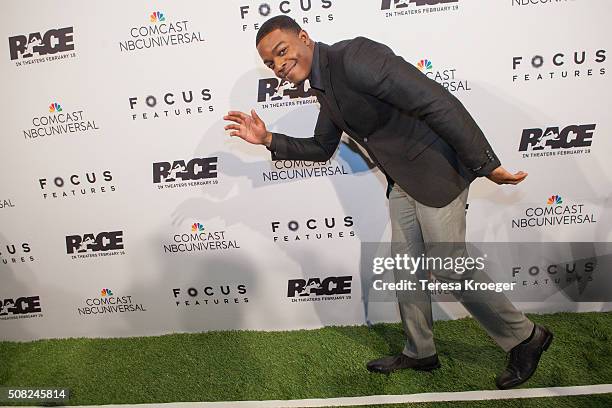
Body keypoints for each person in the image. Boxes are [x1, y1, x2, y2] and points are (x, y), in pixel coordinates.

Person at [223, 16, 553, 390]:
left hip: (436, 170)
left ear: (304, 37)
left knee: (447, 267)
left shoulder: (354, 57)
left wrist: (485, 165)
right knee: (407, 269)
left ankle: (527, 338)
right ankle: (420, 350)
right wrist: (267, 139)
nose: (279, 66)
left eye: (281, 52)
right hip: (403, 181)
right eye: (270, 63)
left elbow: (435, 100)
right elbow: (321, 148)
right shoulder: (323, 88)